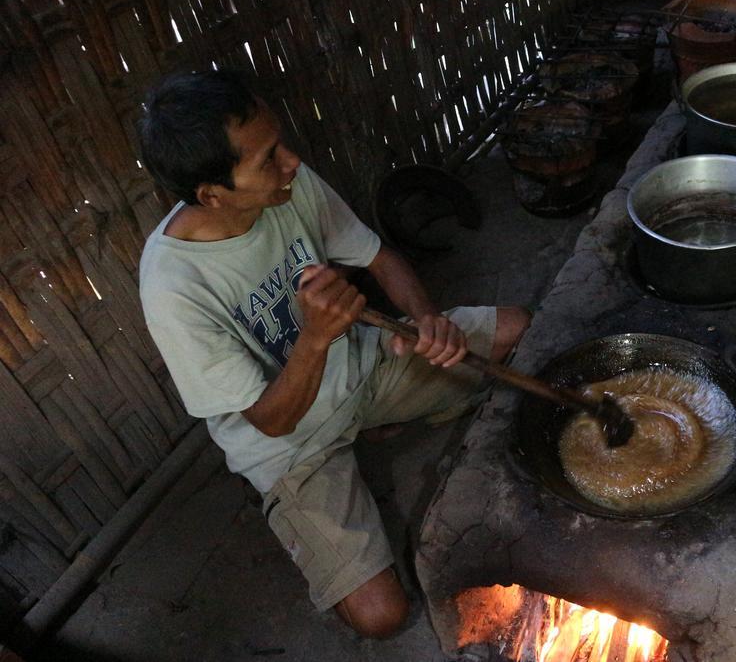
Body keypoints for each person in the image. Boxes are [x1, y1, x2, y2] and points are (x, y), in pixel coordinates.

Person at [136, 69, 530, 638]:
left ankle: (381, 421)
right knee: (382, 617)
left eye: (281, 143)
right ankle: (345, 468)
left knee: (519, 329)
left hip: (366, 369)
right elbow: (272, 421)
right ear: (211, 194)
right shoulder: (174, 286)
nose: (291, 161)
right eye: (267, 157)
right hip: (294, 447)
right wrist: (315, 337)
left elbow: (379, 258)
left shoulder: (286, 185)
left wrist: (426, 322)